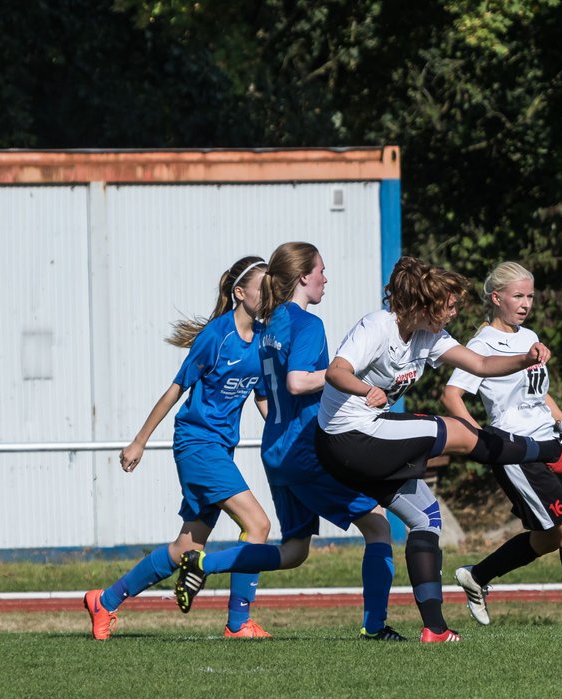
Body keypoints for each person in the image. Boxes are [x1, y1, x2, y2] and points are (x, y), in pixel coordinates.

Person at [313, 256, 562, 643]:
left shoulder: (429, 335)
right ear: (424, 305)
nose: (454, 312)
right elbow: (336, 371)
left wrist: (524, 358)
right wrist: (367, 390)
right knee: (458, 432)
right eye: (448, 306)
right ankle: (550, 450)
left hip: (366, 443)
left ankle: (435, 629)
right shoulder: (378, 325)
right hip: (347, 437)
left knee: (427, 518)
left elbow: (479, 363)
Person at [171, 242, 406, 640]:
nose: (325, 279)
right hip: (305, 450)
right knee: (379, 527)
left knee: (294, 552)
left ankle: (201, 564)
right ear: (302, 277)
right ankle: (375, 627)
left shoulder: (269, 326)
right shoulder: (307, 324)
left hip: (276, 449)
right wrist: (350, 378)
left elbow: (269, 391)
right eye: (320, 271)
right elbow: (298, 382)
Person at [83, 255, 274, 640]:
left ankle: (104, 600)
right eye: (263, 288)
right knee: (258, 525)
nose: (271, 296)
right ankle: (238, 624)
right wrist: (139, 440)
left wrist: (288, 434)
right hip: (197, 444)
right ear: (240, 293)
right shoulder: (216, 337)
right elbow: (176, 388)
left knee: (183, 547)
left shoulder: (265, 340)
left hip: (220, 449)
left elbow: (263, 400)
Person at [441, 261, 562, 628]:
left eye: (530, 296)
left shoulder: (529, 335)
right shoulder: (482, 344)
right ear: (496, 297)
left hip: (547, 445)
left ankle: (477, 576)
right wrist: (481, 441)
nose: (526, 303)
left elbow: (539, 395)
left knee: (550, 536)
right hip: (516, 452)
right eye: (518, 295)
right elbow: (451, 395)